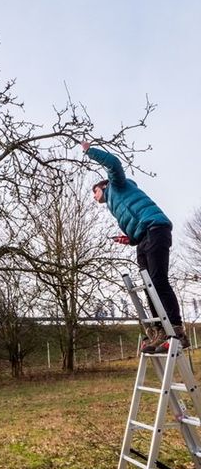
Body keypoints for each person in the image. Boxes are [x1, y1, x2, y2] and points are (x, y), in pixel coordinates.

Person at [83, 142, 190, 353]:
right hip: (142, 238)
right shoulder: (115, 205)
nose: (94, 197)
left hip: (155, 228)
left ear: (102, 186)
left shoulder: (117, 185)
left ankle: (177, 331)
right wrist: (129, 239)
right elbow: (134, 223)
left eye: (94, 191)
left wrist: (89, 151)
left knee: (158, 281)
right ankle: (160, 331)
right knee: (148, 286)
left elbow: (114, 163)